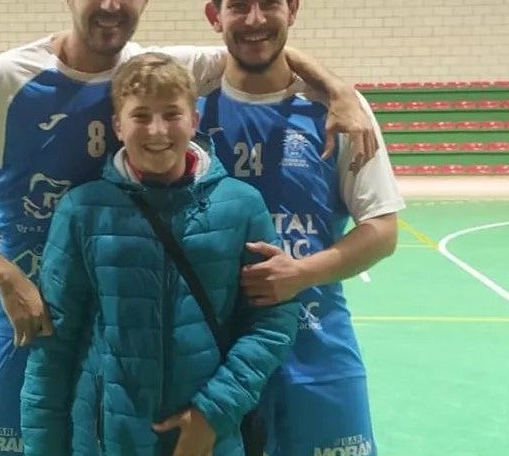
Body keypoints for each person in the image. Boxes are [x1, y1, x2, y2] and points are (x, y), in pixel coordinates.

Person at [0, 0, 373, 456]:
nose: (111, 3)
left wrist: (338, 89)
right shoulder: (8, 79)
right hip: (21, 322)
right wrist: (2, 271)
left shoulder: (149, 70)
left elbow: (255, 42)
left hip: (109, 331)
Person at [20, 52, 300, 456]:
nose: (156, 130)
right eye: (140, 116)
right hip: (106, 440)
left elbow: (272, 322)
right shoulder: (82, 210)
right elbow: (53, 346)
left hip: (210, 440)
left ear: (194, 120)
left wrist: (213, 412)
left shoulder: (242, 206)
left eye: (172, 114)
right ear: (118, 126)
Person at [198, 0, 406, 456]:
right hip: (213, 362)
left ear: (293, 8)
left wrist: (301, 273)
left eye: (269, 2)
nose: (255, 19)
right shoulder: (187, 112)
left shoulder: (339, 111)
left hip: (317, 353)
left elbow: (382, 230)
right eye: (238, 5)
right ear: (214, 16)